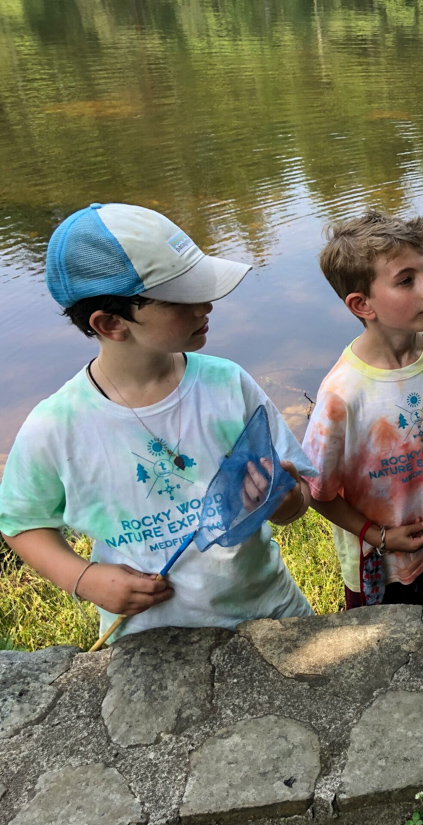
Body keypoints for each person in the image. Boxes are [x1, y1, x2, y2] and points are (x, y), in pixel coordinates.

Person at [0, 203, 315, 643]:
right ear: (111, 323)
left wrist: (281, 499)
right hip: (155, 638)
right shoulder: (56, 427)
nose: (206, 303)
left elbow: (296, 503)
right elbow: (21, 522)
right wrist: (86, 578)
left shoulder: (228, 384)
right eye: (180, 298)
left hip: (271, 611)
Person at [302, 211, 423, 608]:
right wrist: (378, 536)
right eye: (406, 281)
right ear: (361, 304)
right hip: (378, 561)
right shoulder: (342, 394)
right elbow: (317, 491)